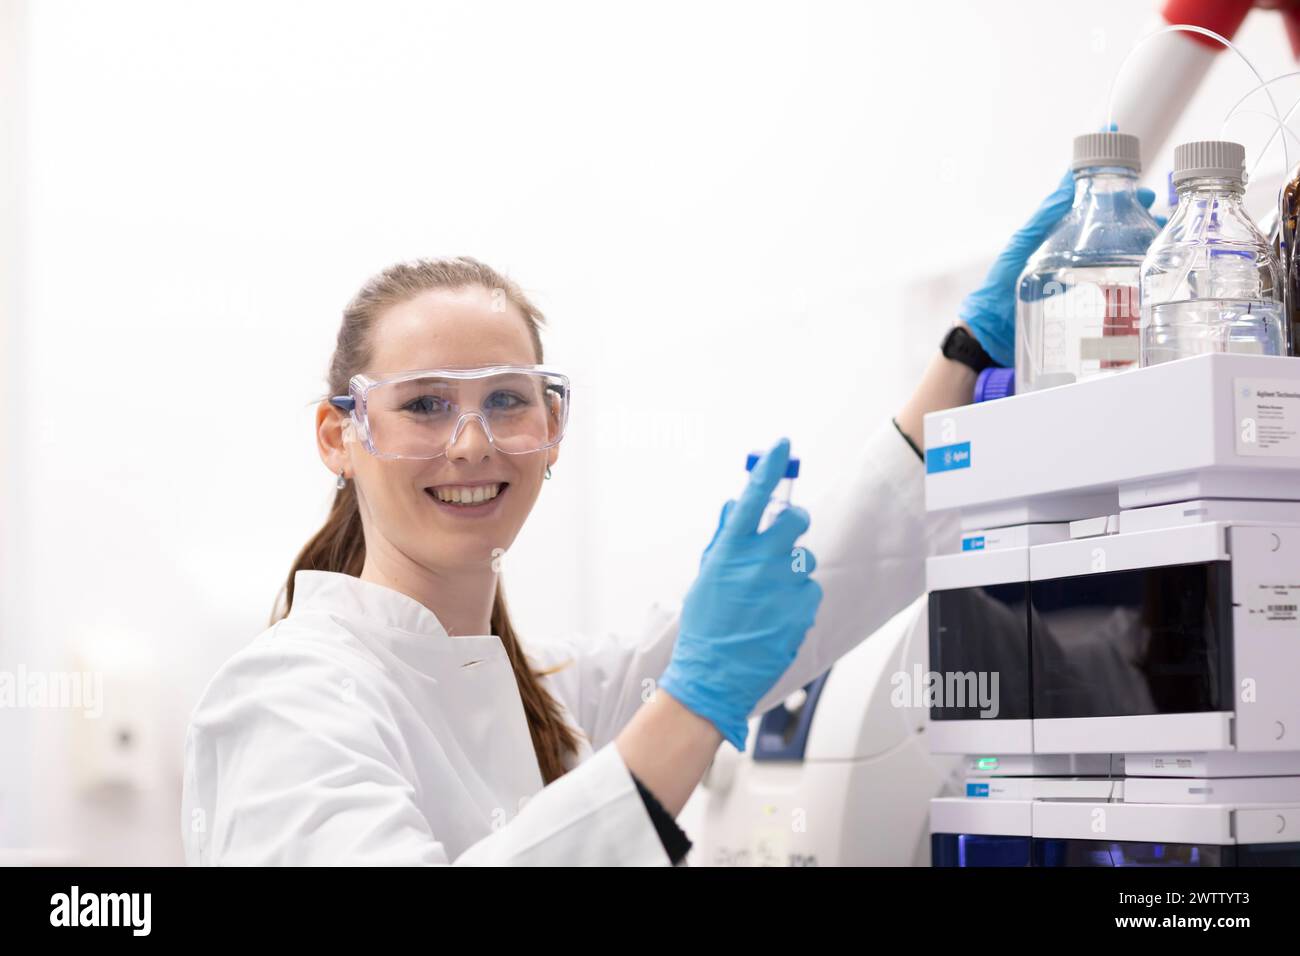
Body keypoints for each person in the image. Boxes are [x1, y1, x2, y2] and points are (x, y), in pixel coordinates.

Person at [181, 179, 1161, 865]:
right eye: (426, 404)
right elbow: (685, 690)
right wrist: (692, 704)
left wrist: (960, 354)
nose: (473, 444)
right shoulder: (289, 698)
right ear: (338, 434)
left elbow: (802, 605)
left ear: (553, 425)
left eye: (508, 401)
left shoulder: (542, 692)